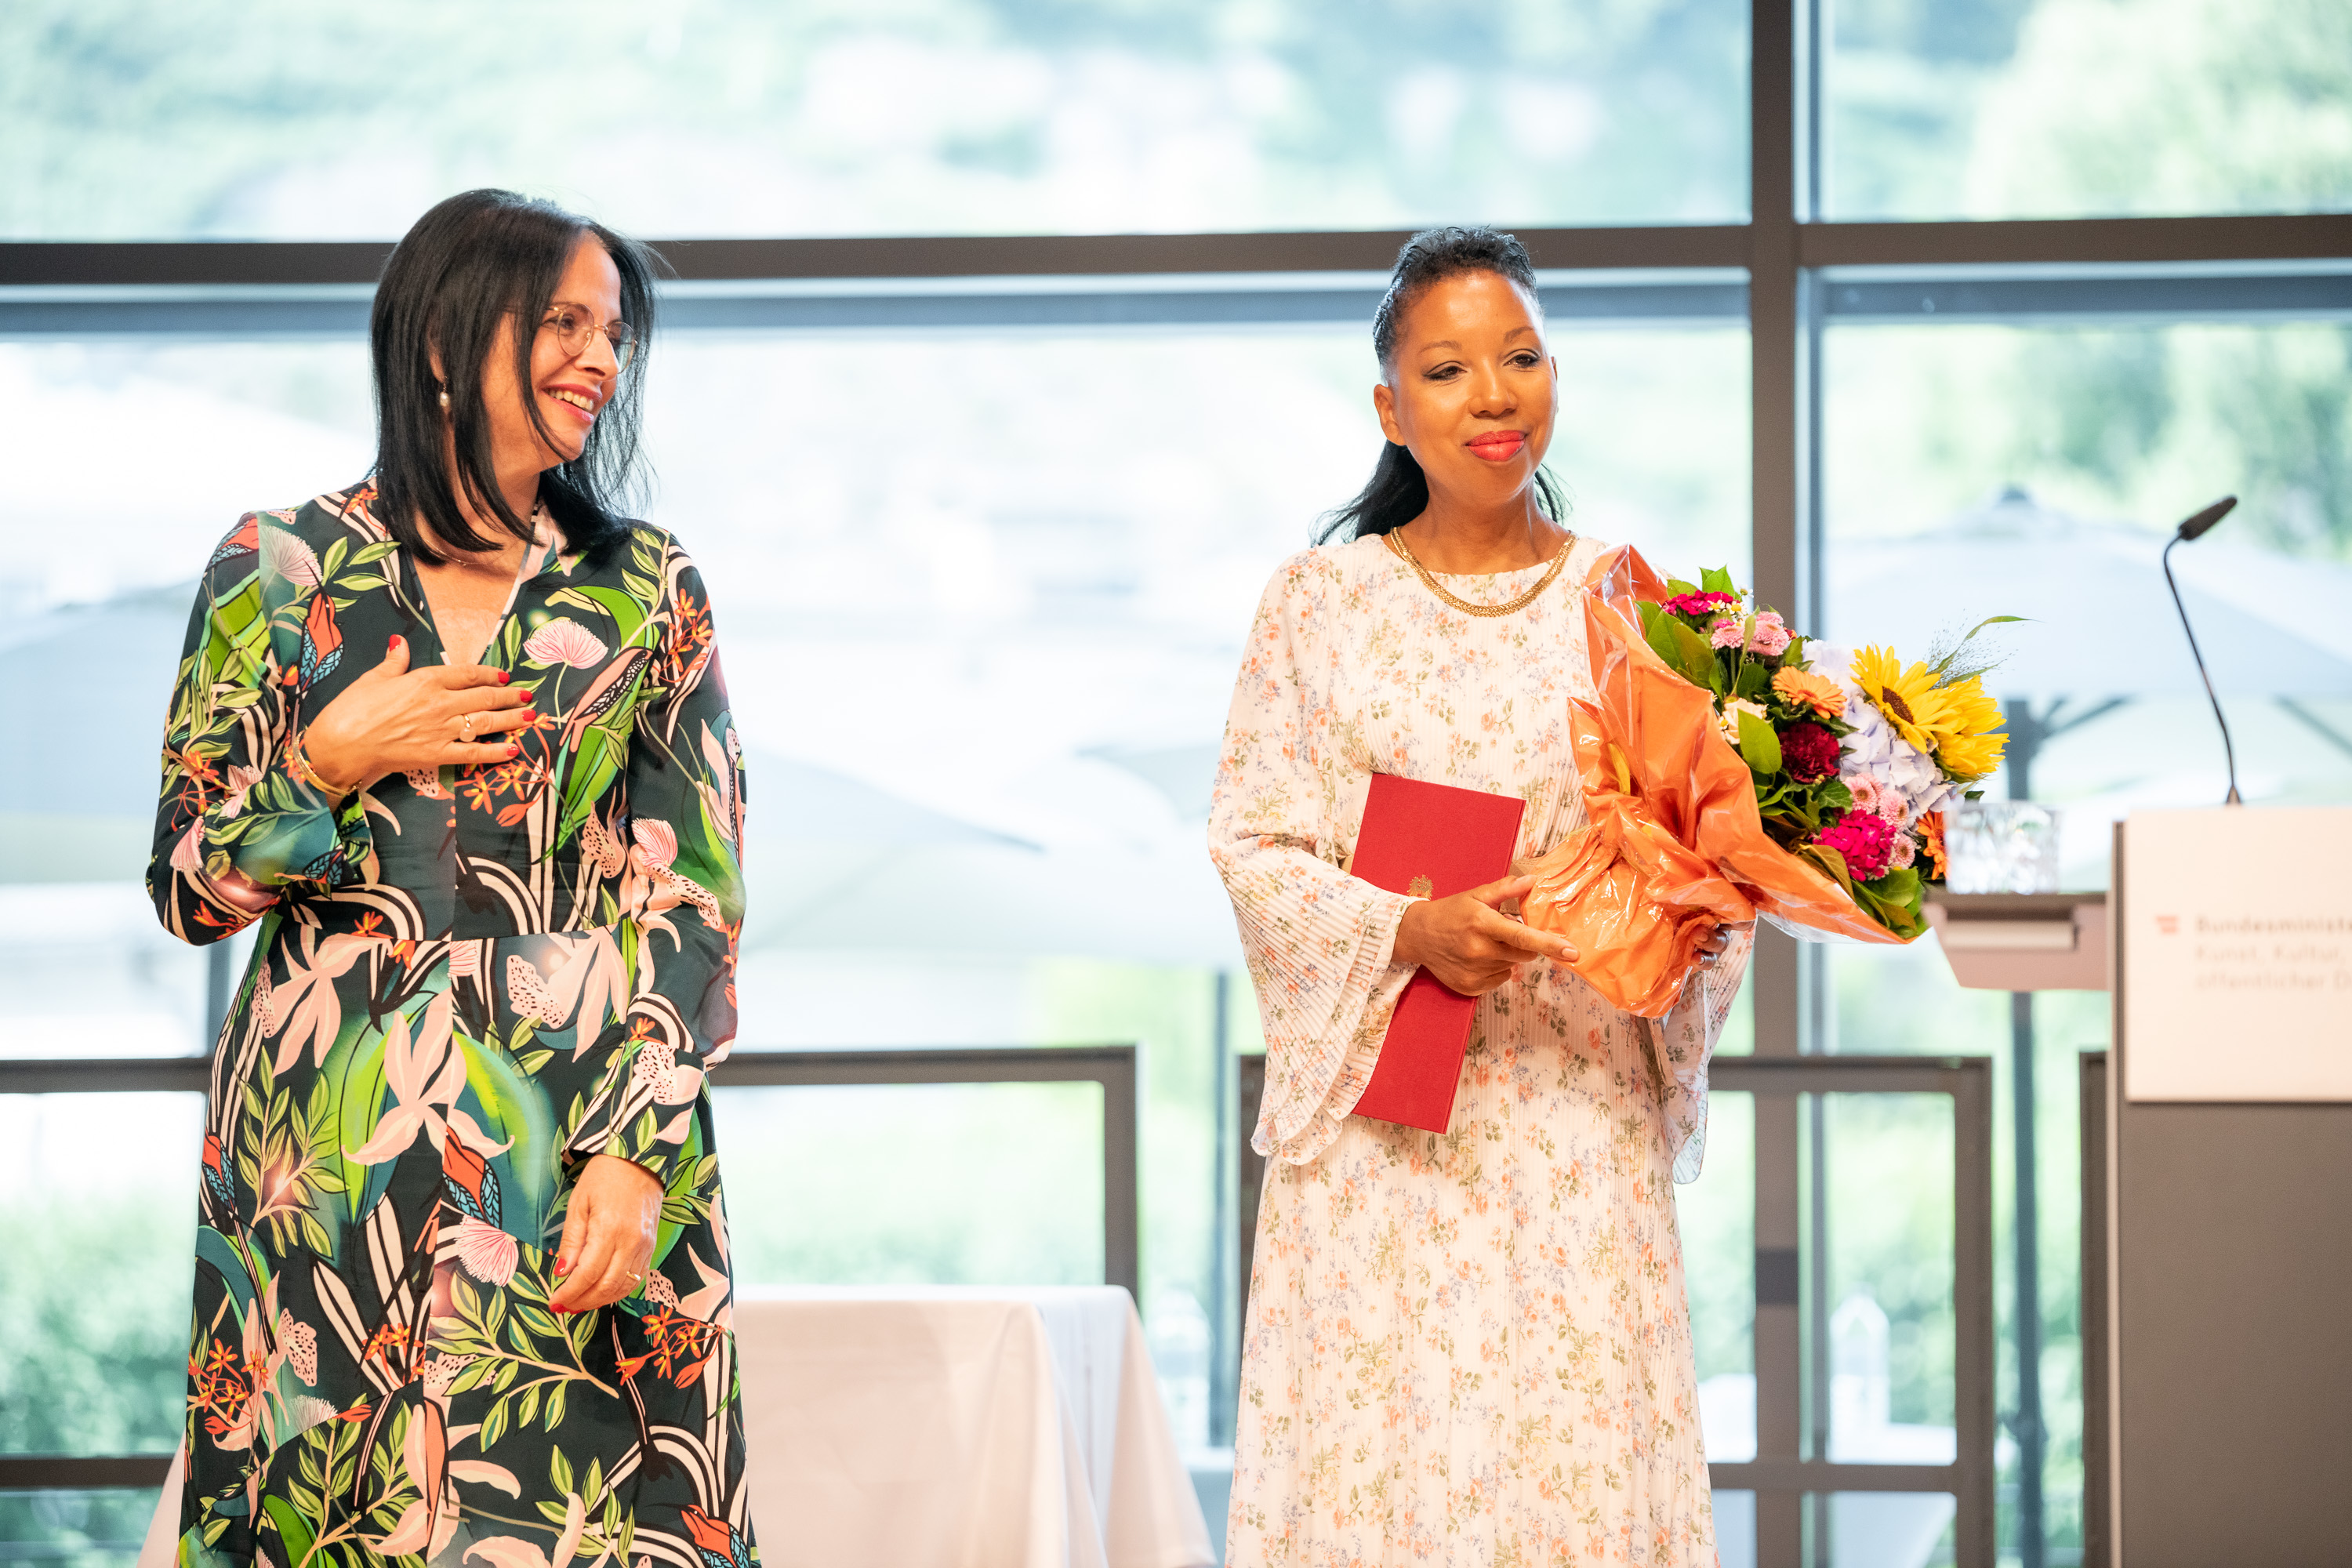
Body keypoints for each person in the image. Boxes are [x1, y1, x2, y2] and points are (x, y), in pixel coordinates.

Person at [147, 190, 757, 1568]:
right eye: (563, 322)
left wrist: (638, 1149)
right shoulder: (276, 567)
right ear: (442, 340)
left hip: (576, 1124)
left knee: (590, 1515)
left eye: (613, 333)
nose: (601, 360)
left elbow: (694, 894)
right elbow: (188, 884)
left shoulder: (647, 590)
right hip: (327, 1141)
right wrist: (324, 758)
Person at [1210, 226, 1753, 1565]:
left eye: (1520, 359)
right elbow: (1254, 847)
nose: (1493, 398)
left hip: (1573, 1119)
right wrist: (1407, 926)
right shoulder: (1317, 606)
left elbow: (1689, 853)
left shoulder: (1630, 604)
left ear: (1556, 376)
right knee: (1381, 1478)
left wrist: (1712, 896)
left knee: (1572, 1476)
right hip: (1382, 1150)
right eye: (1450, 371)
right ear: (1392, 409)